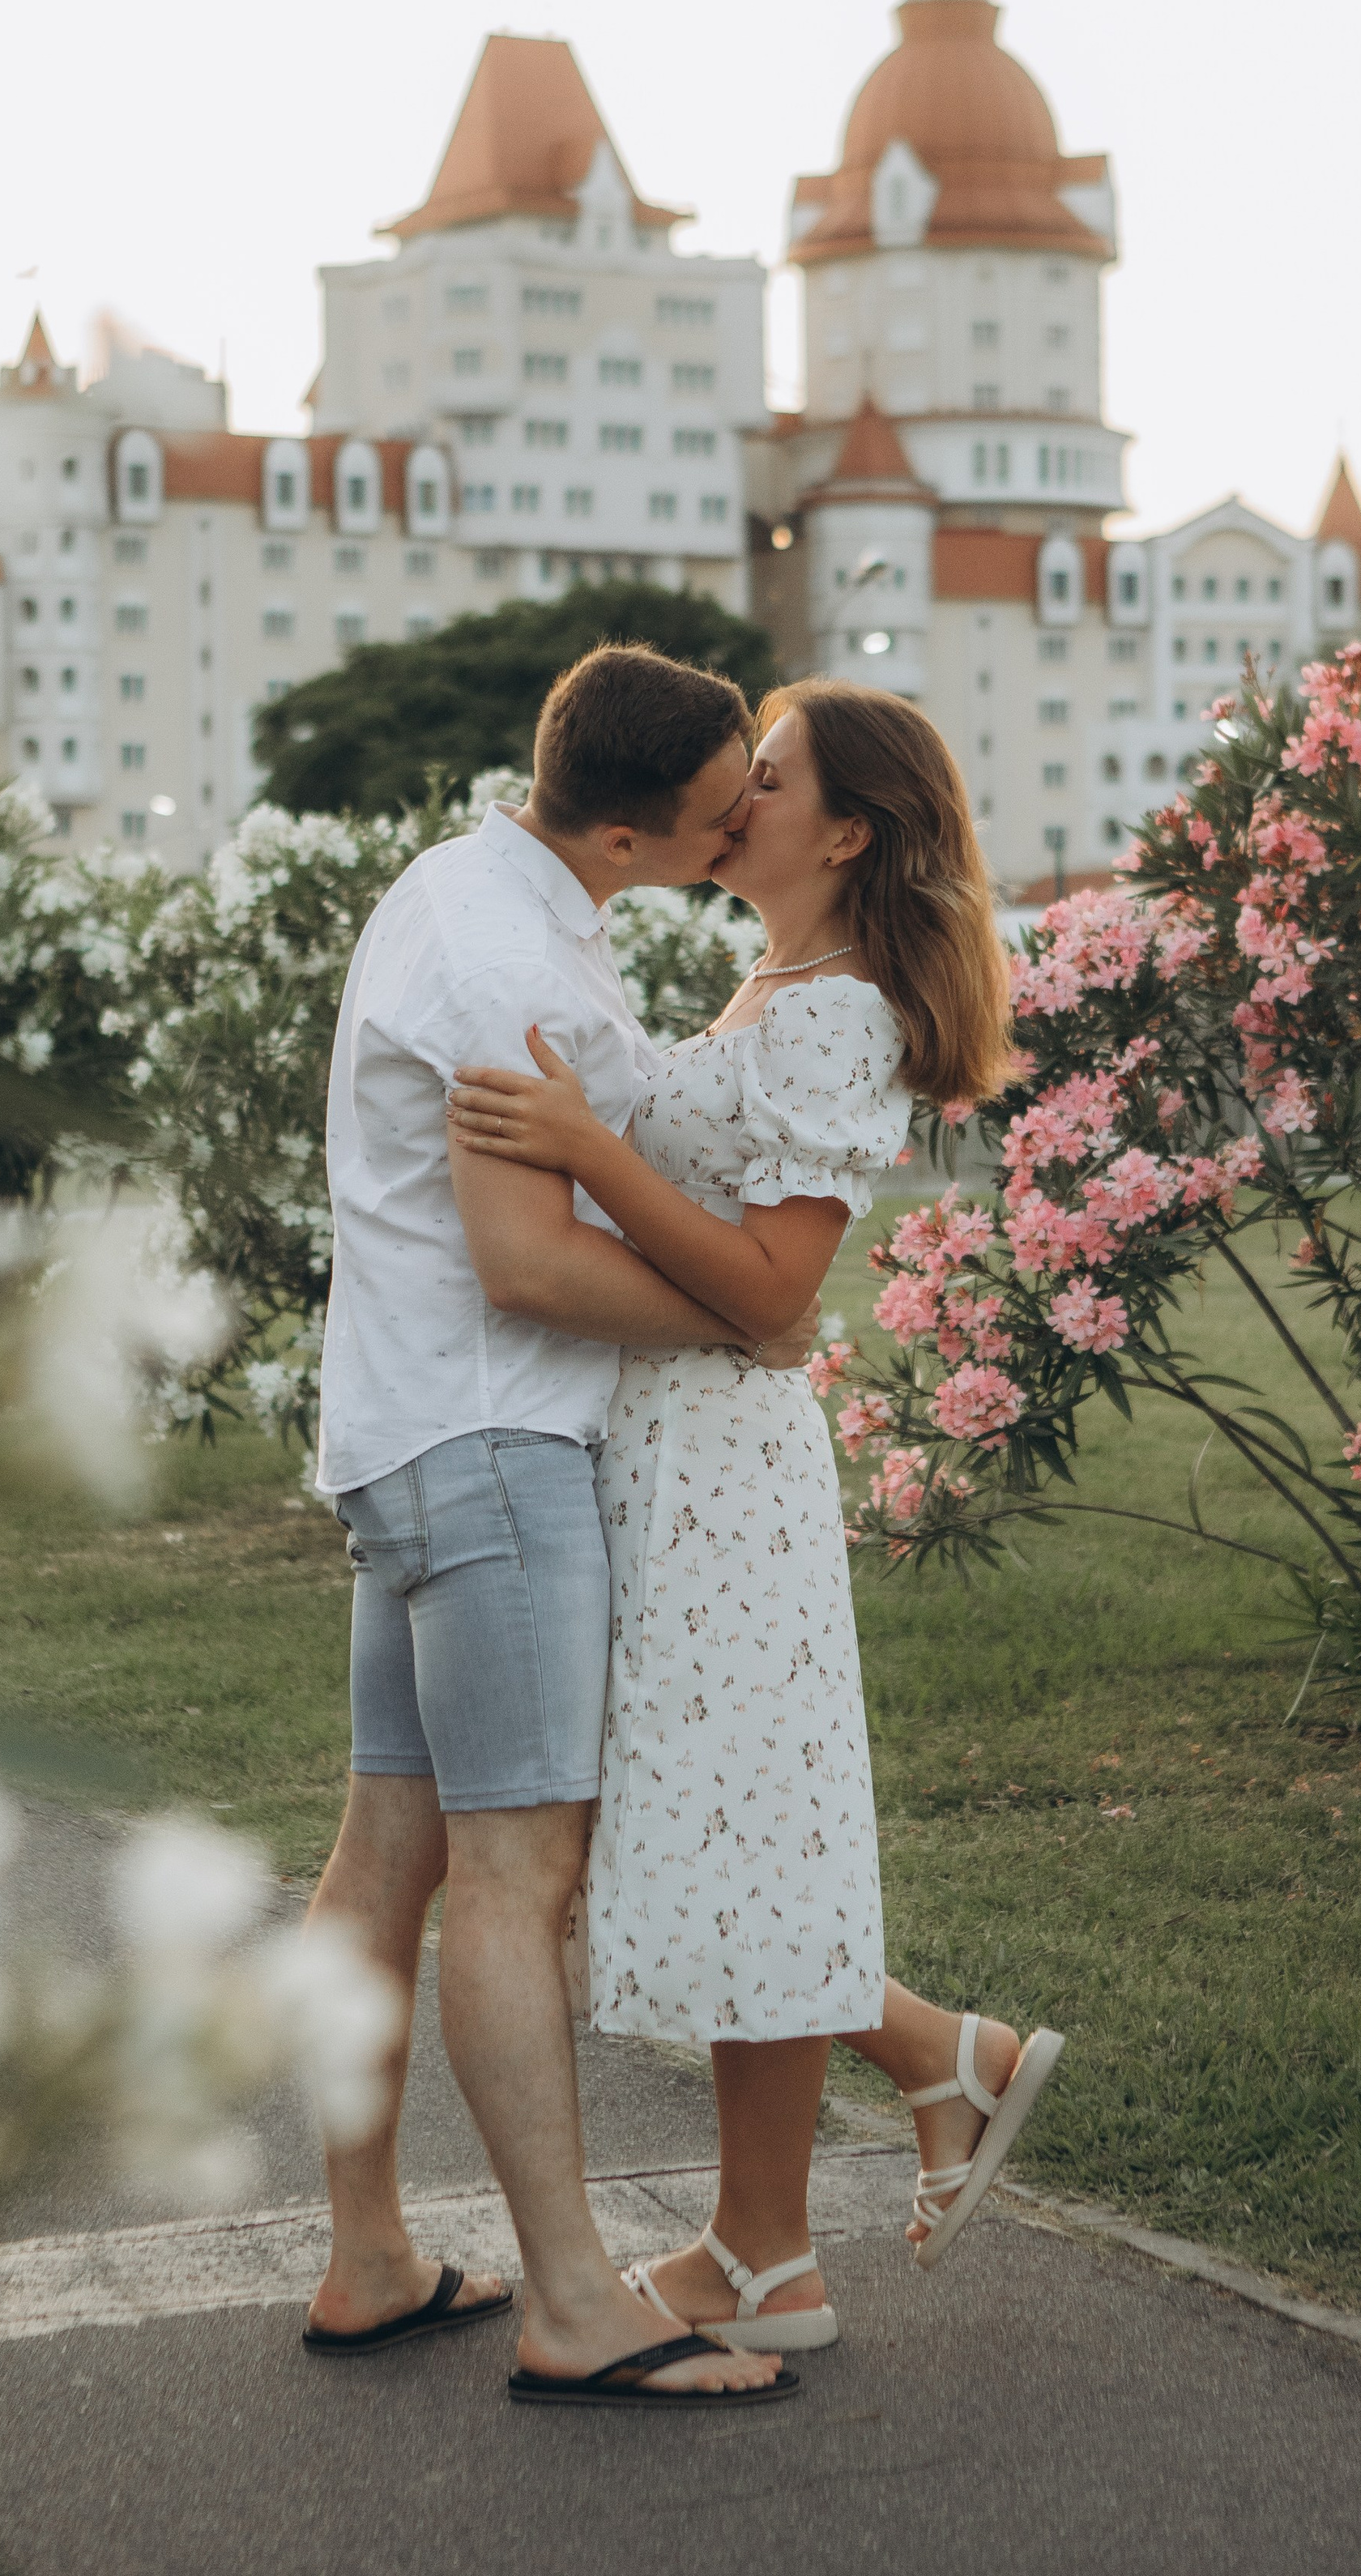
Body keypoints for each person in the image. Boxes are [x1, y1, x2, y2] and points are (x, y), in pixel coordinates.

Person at [447, 679, 1064, 2354]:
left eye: (767, 779)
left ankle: (805, 2210)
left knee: (731, 1830)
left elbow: (774, 1285)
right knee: (716, 1827)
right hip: (670, 1443)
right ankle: (809, 2198)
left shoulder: (837, 1015)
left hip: (720, 1470)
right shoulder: (775, 987)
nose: (735, 800)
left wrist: (587, 1142)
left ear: (845, 830)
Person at [302, 645, 812, 2408]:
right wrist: (745, 1318)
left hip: (406, 1431)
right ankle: (577, 2302)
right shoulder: (509, 962)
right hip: (491, 1446)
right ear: (621, 831)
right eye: (722, 808)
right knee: (518, 1880)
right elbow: (526, 1261)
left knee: (386, 1854)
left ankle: (369, 2257)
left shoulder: (469, 887)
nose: (744, 822)